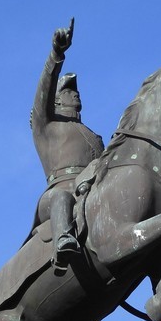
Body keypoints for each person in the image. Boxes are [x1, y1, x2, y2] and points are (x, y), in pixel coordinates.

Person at [30, 18, 104, 268]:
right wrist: (56, 55)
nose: (75, 92)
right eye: (67, 91)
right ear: (56, 101)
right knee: (62, 197)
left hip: (90, 189)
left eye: (75, 90)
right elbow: (45, 89)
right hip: (56, 194)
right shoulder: (47, 125)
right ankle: (63, 241)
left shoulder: (93, 136)